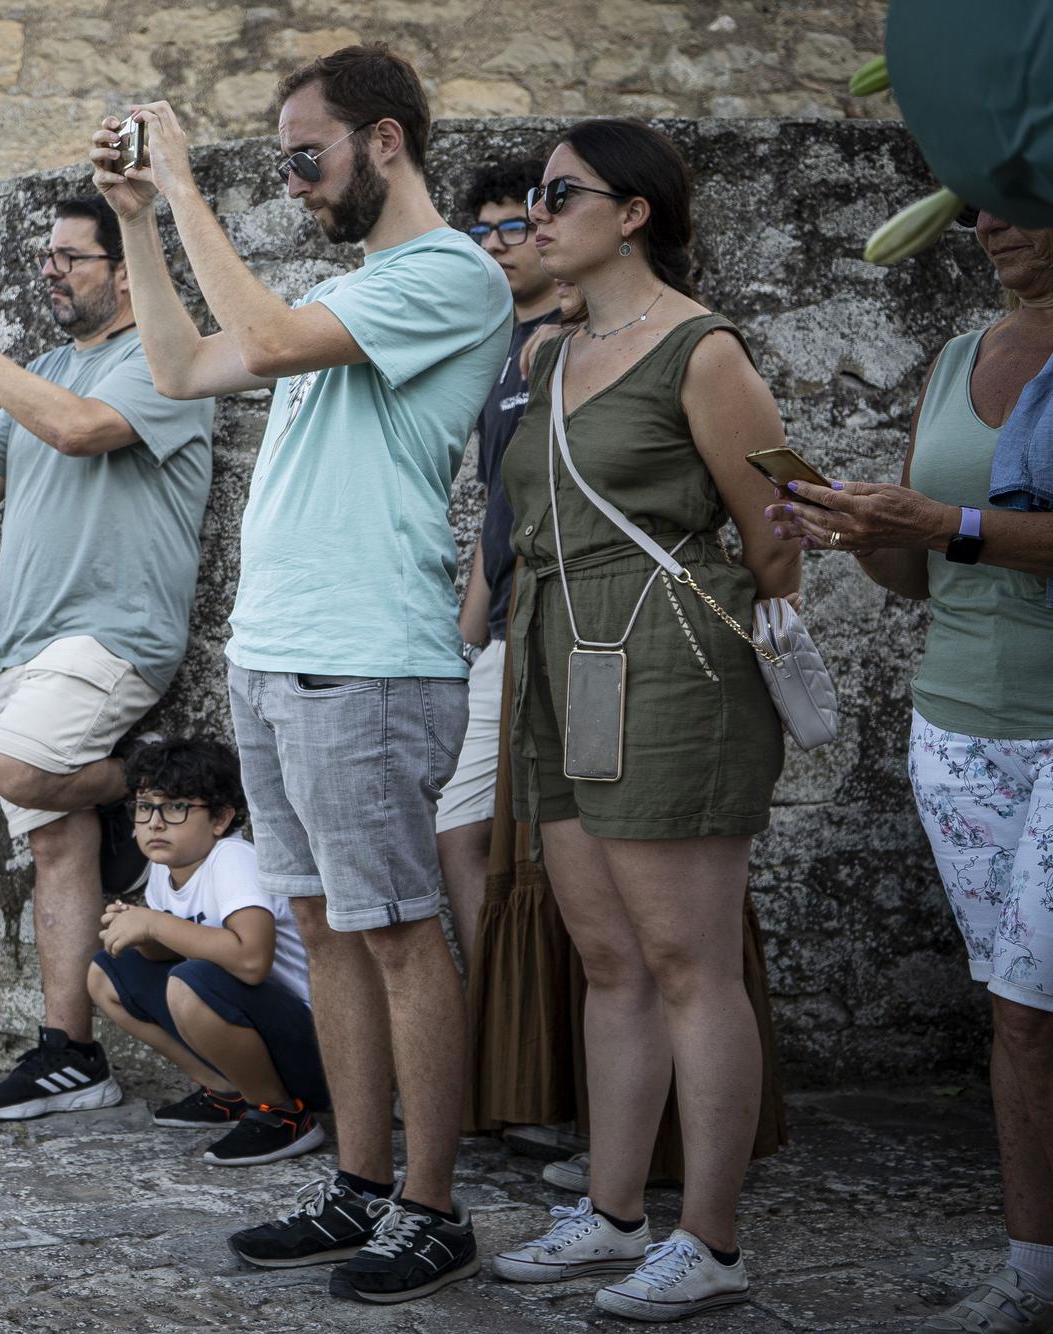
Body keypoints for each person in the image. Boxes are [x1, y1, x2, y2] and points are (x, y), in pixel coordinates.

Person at [92, 44, 509, 1303]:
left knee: (391, 931)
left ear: (384, 140)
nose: (292, 181)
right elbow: (180, 367)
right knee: (327, 931)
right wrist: (138, 224)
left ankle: (431, 1208)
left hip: (366, 656)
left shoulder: (447, 272)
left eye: (304, 152)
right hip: (279, 654)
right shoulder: (355, 290)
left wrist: (181, 177)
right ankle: (362, 1180)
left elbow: (260, 339)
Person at [485, 120, 800, 1322]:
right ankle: (613, 1210)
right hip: (557, 654)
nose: (533, 212)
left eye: (557, 193)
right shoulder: (548, 353)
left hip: (663, 659)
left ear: (633, 213)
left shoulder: (702, 351)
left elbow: (777, 539)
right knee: (606, 955)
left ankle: (709, 1238)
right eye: (529, 194)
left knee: (685, 959)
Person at [769, 207, 1053, 1334]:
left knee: (1035, 994)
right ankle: (1030, 1271)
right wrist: (863, 529)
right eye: (976, 200)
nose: (987, 223)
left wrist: (944, 519)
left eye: (1017, 197)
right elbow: (920, 571)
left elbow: (959, 528)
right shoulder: (954, 357)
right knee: (1018, 1016)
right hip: (960, 725)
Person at [0, 194, 219, 1121]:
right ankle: (70, 1053)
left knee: (17, 764)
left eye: (69, 256)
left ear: (126, 270)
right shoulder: (41, 367)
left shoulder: (164, 361)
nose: (48, 268)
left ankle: (142, 778)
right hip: (31, 639)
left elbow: (83, 429)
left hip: (115, 629)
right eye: (44, 255)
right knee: (54, 841)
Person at [89, 738, 327, 1167]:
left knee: (191, 983)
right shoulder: (166, 869)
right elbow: (167, 953)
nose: (155, 823)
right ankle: (226, 1091)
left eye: (176, 807)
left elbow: (252, 962)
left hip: (316, 1047)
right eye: (144, 807)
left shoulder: (231, 859)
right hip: (258, 1039)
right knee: (108, 971)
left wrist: (155, 923)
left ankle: (283, 1114)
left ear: (220, 818)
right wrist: (141, 933)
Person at [438, 158, 561, 956]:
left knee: (568, 852)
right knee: (457, 829)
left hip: (582, 623)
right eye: (479, 232)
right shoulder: (492, 351)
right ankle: (497, 1036)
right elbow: (497, 500)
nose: (495, 246)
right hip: (506, 624)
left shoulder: (587, 333)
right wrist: (471, 630)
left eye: (511, 227)